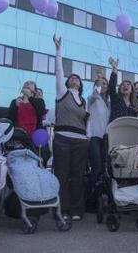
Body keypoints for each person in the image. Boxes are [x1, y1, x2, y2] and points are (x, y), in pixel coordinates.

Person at [51, 35, 89, 221]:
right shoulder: (62, 93)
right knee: (61, 175)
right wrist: (58, 51)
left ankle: (76, 210)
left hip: (81, 142)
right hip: (63, 139)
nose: (74, 79)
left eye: (77, 78)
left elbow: (88, 123)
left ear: (81, 85)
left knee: (78, 176)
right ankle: (61, 209)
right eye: (72, 77)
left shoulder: (85, 102)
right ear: (67, 82)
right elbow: (58, 71)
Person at [86, 69, 110, 212]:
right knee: (96, 168)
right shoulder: (93, 99)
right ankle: (88, 200)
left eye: (106, 83)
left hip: (105, 139)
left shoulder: (108, 103)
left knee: (103, 170)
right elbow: (95, 92)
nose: (104, 85)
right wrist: (99, 79)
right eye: (102, 83)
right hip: (94, 137)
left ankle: (99, 200)